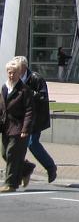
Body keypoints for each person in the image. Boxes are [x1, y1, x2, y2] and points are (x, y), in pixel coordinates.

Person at [15, 56, 57, 183]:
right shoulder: (14, 79)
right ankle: (25, 168)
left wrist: (30, 93)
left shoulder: (36, 78)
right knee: (12, 147)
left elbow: (43, 97)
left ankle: (50, 167)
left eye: (18, 68)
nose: (15, 71)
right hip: (19, 119)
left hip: (35, 119)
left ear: (24, 67)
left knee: (32, 143)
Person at [0, 59, 36, 192]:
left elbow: (29, 111)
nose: (11, 75)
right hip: (6, 126)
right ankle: (26, 168)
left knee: (12, 154)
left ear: (19, 74)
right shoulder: (5, 87)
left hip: (19, 127)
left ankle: (10, 184)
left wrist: (25, 129)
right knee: (5, 154)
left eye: (14, 73)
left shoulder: (24, 90)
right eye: (9, 73)